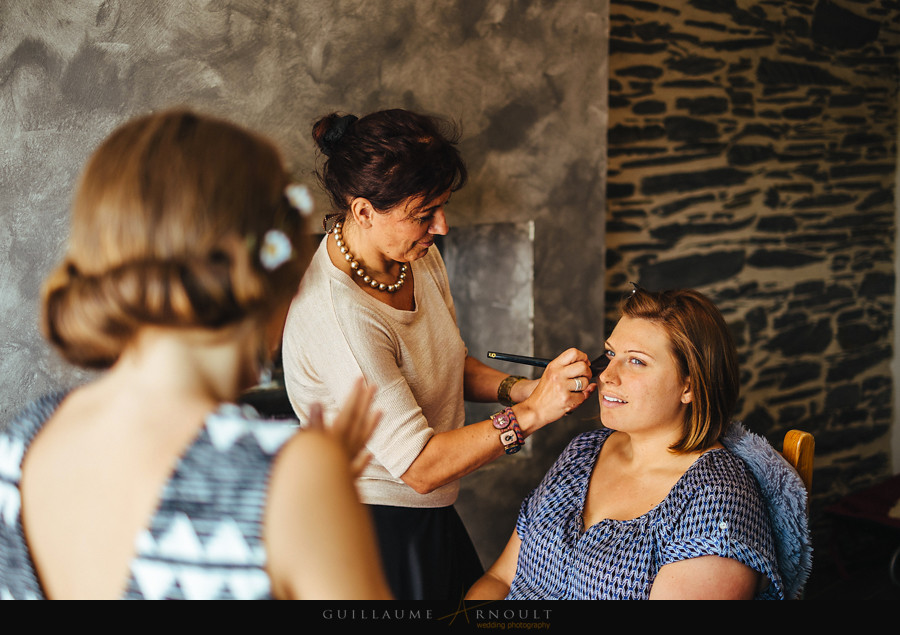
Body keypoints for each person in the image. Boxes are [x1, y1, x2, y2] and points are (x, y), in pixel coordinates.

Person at [0, 109, 391, 600]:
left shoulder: (23, 440)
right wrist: (308, 487)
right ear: (277, 269)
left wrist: (308, 486)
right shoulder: (287, 477)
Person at [281, 109, 595, 600]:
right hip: (370, 530)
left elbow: (448, 362)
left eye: (442, 207)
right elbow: (421, 467)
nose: (442, 227)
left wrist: (522, 388)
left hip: (426, 511)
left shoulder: (412, 256)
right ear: (363, 211)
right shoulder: (340, 320)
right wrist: (533, 413)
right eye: (424, 214)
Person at [467, 287, 809, 600]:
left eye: (636, 361)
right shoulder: (583, 451)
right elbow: (500, 579)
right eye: (610, 354)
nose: (606, 376)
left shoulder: (716, 500)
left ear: (690, 386)